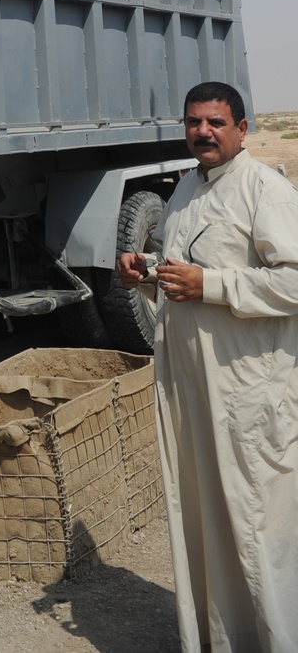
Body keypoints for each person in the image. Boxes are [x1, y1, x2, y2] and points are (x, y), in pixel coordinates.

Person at [117, 81, 298, 653]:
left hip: (249, 393)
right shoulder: (187, 190)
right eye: (194, 122)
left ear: (242, 129)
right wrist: (146, 269)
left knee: (257, 526)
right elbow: (190, 263)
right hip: (197, 392)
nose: (203, 132)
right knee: (207, 520)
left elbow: (293, 279)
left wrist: (212, 286)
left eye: (216, 122)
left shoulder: (263, 189)